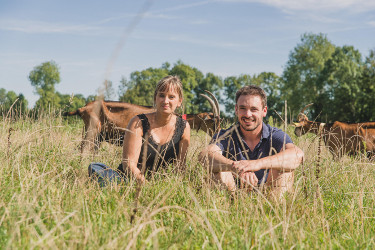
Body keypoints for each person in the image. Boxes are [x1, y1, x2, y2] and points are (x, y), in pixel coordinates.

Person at [199, 85, 304, 197]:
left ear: (264, 111)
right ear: (236, 109)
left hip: (269, 193)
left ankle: (272, 209)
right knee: (218, 171)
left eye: (254, 109)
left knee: (285, 171)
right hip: (233, 193)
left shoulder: (275, 135)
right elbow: (205, 156)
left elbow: (297, 155)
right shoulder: (225, 135)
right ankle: (228, 208)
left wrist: (255, 164)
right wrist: (237, 168)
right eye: (243, 108)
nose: (248, 114)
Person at [89, 75, 190, 185]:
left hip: (158, 182)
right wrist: (147, 186)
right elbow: (129, 165)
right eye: (161, 95)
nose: (165, 101)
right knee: (95, 168)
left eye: (171, 97)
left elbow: (180, 166)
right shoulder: (138, 122)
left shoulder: (183, 127)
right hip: (129, 179)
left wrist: (174, 187)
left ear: (179, 101)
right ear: (155, 98)